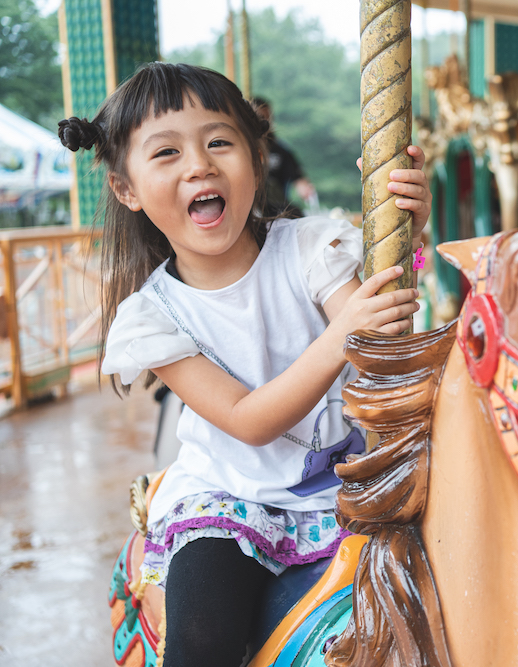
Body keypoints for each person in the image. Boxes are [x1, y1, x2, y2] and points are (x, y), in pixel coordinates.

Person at [57, 62, 430, 666]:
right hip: (229, 500)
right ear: (126, 188)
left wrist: (403, 232)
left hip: (352, 479)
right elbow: (249, 420)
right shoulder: (154, 317)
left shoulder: (311, 250)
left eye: (219, 142)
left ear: (256, 159)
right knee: (203, 640)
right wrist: (342, 334)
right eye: (167, 153)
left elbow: (383, 342)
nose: (199, 164)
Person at [251, 96, 316, 218]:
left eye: (267, 118)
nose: (264, 123)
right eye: (260, 118)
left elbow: (297, 177)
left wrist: (305, 189)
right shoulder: (243, 149)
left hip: (276, 207)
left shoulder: (281, 150)